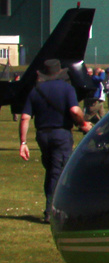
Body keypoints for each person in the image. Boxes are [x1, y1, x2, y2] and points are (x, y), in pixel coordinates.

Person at [19, 58, 91, 216]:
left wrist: (23, 142)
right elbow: (74, 110)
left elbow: (25, 117)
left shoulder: (35, 91)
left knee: (51, 170)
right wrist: (82, 123)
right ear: (60, 72)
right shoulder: (67, 89)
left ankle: (51, 207)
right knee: (59, 172)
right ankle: (53, 211)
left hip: (42, 134)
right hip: (61, 133)